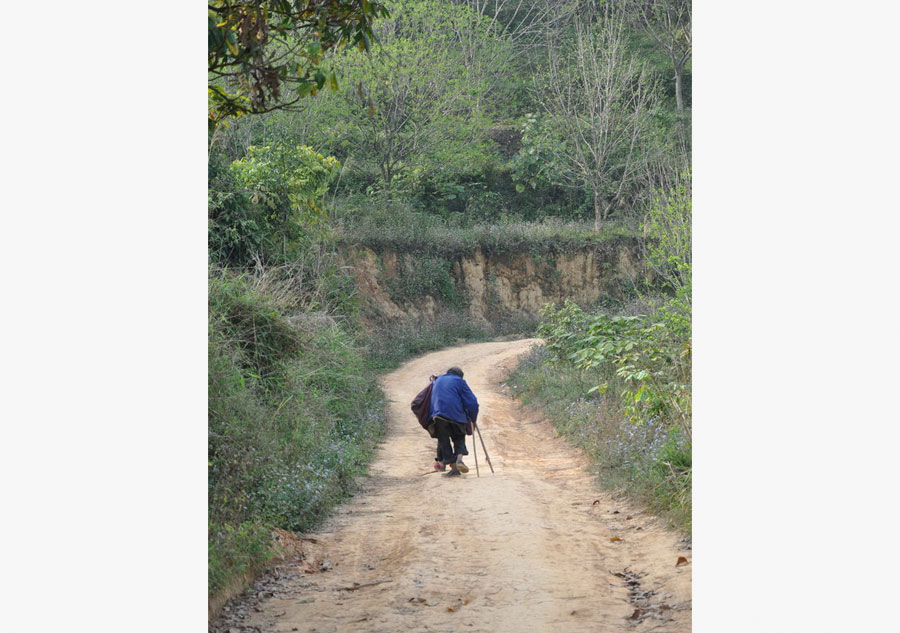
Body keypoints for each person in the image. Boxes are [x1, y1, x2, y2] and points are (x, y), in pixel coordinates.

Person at [429, 366, 479, 477]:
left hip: (438, 415)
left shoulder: (437, 380)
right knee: (459, 436)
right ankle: (459, 459)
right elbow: (472, 402)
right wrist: (473, 418)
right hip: (457, 415)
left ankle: (453, 467)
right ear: (460, 376)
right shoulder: (460, 381)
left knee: (443, 440)